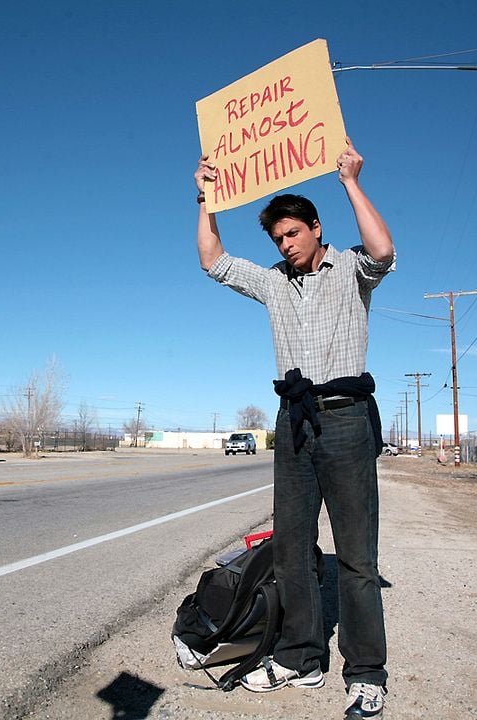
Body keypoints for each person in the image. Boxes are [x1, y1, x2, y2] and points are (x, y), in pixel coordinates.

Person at [193, 138, 394, 719]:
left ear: (315, 227)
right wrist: (206, 198)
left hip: (347, 422)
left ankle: (366, 674)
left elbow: (383, 251)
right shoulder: (274, 283)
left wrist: (352, 180)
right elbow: (213, 260)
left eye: (292, 234)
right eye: (277, 239)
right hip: (294, 423)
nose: (285, 245)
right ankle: (301, 658)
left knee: (356, 557)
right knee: (291, 551)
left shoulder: (351, 269)